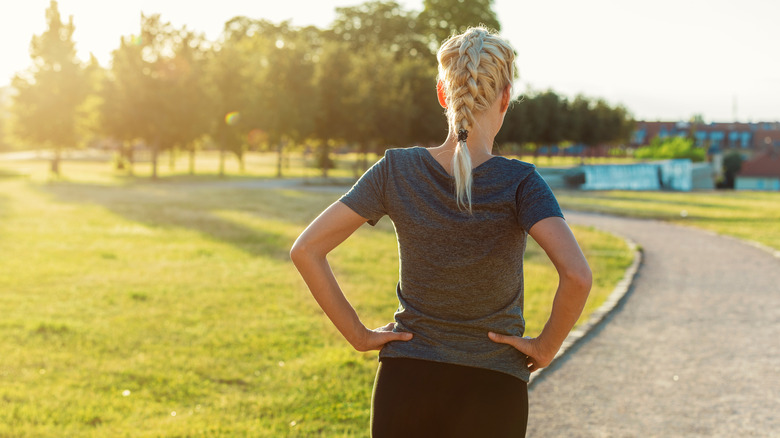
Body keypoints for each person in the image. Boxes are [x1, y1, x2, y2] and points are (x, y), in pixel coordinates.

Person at [290, 26, 592, 437]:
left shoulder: (397, 170)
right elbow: (577, 276)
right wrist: (545, 347)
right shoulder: (521, 182)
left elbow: (306, 249)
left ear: (441, 94)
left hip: (406, 383)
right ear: (505, 99)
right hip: (494, 388)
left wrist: (360, 336)